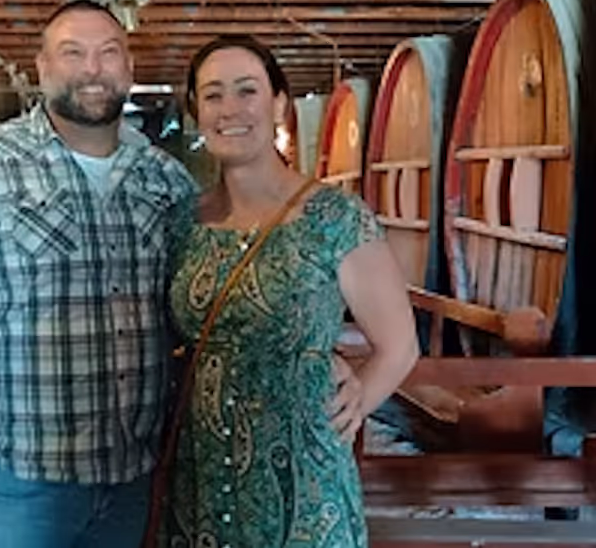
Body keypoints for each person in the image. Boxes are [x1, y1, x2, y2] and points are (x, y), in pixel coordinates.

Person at [0, 1, 368, 548]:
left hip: (139, 479)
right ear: (42, 68)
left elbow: (207, 302)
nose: (92, 69)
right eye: (72, 53)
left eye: (108, 53)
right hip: (26, 485)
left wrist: (313, 349)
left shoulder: (164, 180)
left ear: (128, 70)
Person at [158, 35, 419, 547]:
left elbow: (400, 345)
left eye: (246, 91)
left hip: (305, 483)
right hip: (201, 477)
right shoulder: (182, 222)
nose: (230, 109)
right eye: (212, 95)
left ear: (278, 102)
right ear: (196, 112)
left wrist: (359, 394)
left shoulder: (333, 218)